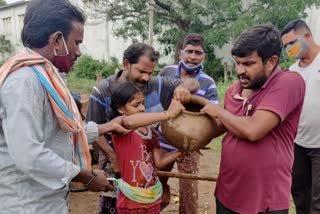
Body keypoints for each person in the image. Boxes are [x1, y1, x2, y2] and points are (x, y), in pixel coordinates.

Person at [0, 0, 123, 213]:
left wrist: (108, 126)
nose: (79, 52)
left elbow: (59, 134)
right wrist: (86, 177)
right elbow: (28, 153)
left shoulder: (46, 78)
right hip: (26, 205)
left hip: (48, 201)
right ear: (57, 40)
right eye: (77, 42)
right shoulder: (24, 82)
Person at [201, 24, 305, 214]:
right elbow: (224, 125)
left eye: (248, 64)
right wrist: (192, 134)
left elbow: (253, 130)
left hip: (263, 200)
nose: (240, 70)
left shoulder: (289, 82)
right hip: (227, 192)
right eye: (238, 63)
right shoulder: (235, 89)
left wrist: (218, 111)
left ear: (272, 61)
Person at [86, 42, 199, 214]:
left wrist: (183, 88)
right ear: (126, 64)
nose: (146, 78)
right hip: (113, 160)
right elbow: (93, 130)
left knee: (143, 204)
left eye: (150, 72)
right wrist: (114, 158)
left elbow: (192, 82)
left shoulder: (158, 85)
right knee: (113, 206)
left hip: (144, 164)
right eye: (141, 71)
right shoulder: (102, 90)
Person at [158, 33, 218, 213]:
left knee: (189, 192)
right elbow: (153, 102)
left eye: (198, 53)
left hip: (191, 145)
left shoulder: (208, 82)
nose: (193, 57)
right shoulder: (166, 72)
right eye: (189, 51)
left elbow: (213, 115)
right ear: (181, 53)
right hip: (160, 141)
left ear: (204, 57)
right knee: (154, 185)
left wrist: (199, 141)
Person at [108, 81, 186, 213]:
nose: (142, 108)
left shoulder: (152, 133)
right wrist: (167, 114)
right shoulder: (120, 128)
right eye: (136, 105)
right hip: (131, 201)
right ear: (121, 109)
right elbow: (129, 122)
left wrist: (181, 152)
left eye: (143, 103)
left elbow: (158, 163)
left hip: (152, 197)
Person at [281, 19, 320, 214]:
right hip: (297, 143)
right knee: (299, 193)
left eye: (292, 42)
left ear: (307, 37)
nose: (289, 48)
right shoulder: (292, 72)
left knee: (318, 200)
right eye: (286, 45)